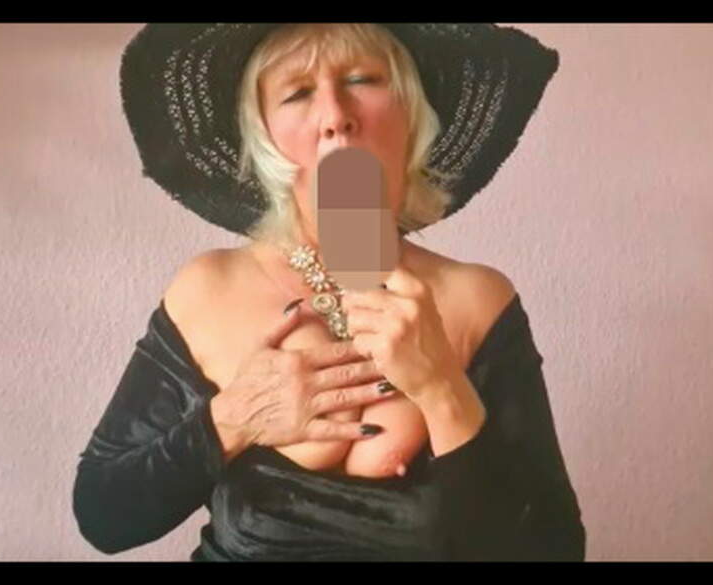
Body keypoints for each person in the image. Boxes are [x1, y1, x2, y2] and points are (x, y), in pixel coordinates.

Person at [72, 23, 586, 561]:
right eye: (297, 93)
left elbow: (555, 551)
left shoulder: (477, 299)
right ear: (264, 137)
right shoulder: (209, 289)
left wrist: (442, 389)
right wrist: (235, 417)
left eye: (362, 79)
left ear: (412, 114)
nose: (336, 116)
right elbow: (103, 516)